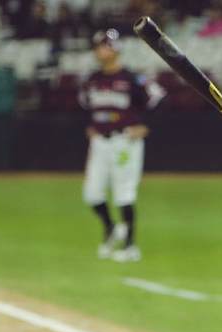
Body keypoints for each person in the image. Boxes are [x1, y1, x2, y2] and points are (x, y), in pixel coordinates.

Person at [79, 29, 165, 262]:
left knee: (123, 193)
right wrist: (90, 125)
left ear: (116, 50)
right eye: (98, 46)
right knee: (92, 194)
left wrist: (145, 125)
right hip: (100, 142)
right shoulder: (92, 80)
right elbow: (85, 106)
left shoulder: (131, 78)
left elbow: (157, 98)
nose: (100, 51)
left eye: (104, 46)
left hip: (125, 141)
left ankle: (130, 246)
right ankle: (111, 227)